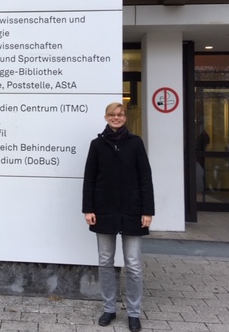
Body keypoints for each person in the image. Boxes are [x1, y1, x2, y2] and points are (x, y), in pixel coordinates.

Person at [82, 102, 155, 332]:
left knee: (133, 264)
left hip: (133, 211)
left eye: (120, 114)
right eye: (112, 114)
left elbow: (145, 178)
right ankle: (109, 308)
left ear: (125, 117)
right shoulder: (97, 145)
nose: (116, 118)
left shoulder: (136, 143)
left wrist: (147, 211)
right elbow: (90, 179)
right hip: (104, 210)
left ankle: (133, 312)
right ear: (106, 117)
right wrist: (88, 209)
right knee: (105, 262)